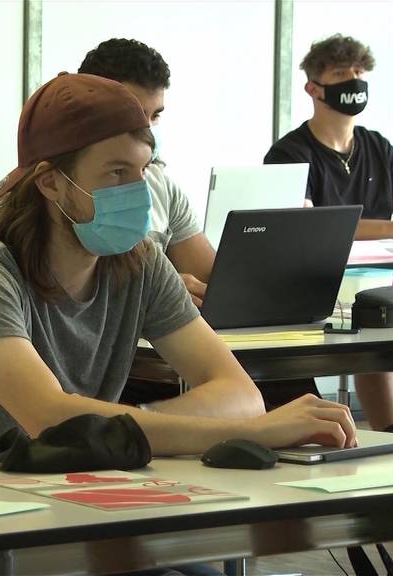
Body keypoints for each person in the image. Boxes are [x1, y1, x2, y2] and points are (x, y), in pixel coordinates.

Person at [0, 72, 357, 458]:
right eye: (117, 173)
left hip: (85, 482)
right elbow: (49, 417)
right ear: (51, 184)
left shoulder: (139, 263)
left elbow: (240, 395)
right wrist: (246, 433)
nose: (138, 192)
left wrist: (133, 426)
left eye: (144, 171)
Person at [79, 38, 318, 410]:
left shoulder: (160, 183)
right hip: (124, 369)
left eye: (154, 115)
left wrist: (291, 261)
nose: (145, 129)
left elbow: (214, 280)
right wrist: (162, 292)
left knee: (288, 382)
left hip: (163, 354)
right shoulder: (64, 189)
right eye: (132, 114)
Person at [265, 34, 393, 433]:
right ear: (313, 87)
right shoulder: (289, 155)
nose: (354, 81)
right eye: (341, 73)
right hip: (315, 284)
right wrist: (389, 229)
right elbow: (313, 228)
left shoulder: (378, 147)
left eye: (359, 72)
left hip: (377, 281)